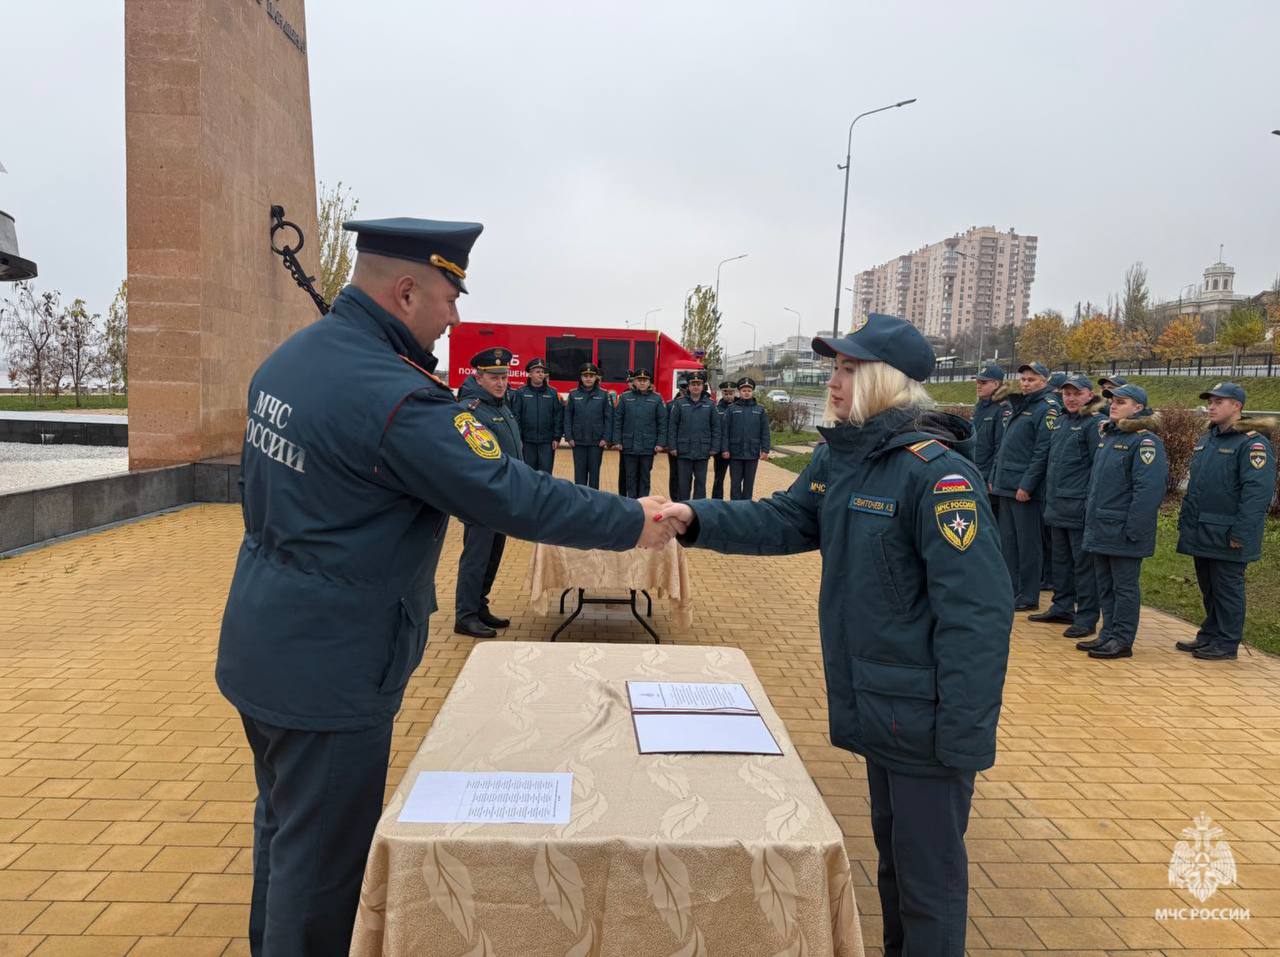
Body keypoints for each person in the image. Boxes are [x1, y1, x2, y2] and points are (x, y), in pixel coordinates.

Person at [215, 217, 676, 957]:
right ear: (405, 292)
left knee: (283, 832)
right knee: (323, 869)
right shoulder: (396, 400)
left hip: (263, 646)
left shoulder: (290, 361)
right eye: (448, 297)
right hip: (332, 668)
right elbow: (514, 496)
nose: (455, 316)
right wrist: (633, 518)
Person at [656, 313, 1012, 957]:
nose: (835, 381)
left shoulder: (937, 476)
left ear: (883, 380)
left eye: (848, 369)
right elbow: (788, 519)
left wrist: (961, 738)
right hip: (883, 704)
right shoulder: (844, 457)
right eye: (834, 368)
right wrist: (694, 516)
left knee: (929, 884)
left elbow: (978, 617)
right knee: (895, 868)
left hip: (928, 722)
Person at [1175, 382, 1275, 661]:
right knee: (1209, 586)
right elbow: (1198, 486)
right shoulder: (1208, 438)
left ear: (1237, 407)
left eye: (1220, 401)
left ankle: (1227, 642)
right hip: (1203, 529)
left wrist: (1241, 533)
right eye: (1210, 401)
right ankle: (1210, 634)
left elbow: (1257, 495)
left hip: (1229, 533)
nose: (1212, 406)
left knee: (1227, 588)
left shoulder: (1252, 444)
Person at [1079, 384, 1168, 659]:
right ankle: (1108, 633)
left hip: (1124, 530)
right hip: (1103, 526)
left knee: (1124, 587)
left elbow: (1148, 491)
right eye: (1112, 401)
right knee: (1105, 585)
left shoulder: (1145, 442)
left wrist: (1135, 529)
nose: (1113, 405)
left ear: (1138, 407)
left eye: (1121, 401)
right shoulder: (1109, 436)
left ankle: (1122, 639)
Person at [453, 348, 522, 639]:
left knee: (493, 555)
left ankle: (480, 606)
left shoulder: (500, 406)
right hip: (482, 498)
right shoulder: (472, 409)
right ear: (477, 376)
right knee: (476, 557)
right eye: (494, 377)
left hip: (502, 496)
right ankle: (465, 615)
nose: (500, 382)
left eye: (504, 376)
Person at [1032, 375, 1106, 638]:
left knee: (1083, 567)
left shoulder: (1094, 424)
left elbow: (1098, 469)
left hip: (1079, 508)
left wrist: (1089, 505)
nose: (1071, 399)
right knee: (1060, 562)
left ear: (1089, 395)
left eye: (1077, 393)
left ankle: (1086, 616)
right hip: (1057, 506)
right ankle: (1062, 606)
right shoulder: (1062, 421)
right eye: (1067, 394)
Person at [990, 361, 1061, 610]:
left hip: (1024, 489)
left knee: (1028, 543)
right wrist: (995, 477)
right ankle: (1010, 589)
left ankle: (1028, 595)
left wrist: (1027, 485)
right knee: (1008, 542)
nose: (1026, 383)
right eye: (1023, 379)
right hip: (1006, 484)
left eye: (1031, 379)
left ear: (1044, 381)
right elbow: (1008, 447)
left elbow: (1042, 451)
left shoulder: (1047, 408)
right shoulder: (1021, 404)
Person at [613, 367, 667, 497]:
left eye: (645, 380)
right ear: (634, 382)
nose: (642, 383)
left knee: (644, 478)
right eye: (639, 380)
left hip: (647, 446)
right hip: (628, 446)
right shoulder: (625, 398)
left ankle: (644, 506)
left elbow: (662, 423)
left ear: (649, 383)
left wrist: (660, 443)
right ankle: (631, 506)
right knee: (629, 478)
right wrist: (617, 441)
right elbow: (618, 421)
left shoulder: (657, 399)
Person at [668, 370, 720, 500]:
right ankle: (683, 510)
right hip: (683, 450)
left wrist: (714, 447)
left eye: (699, 383)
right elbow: (673, 426)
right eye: (693, 384)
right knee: (683, 485)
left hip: (703, 451)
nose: (696, 386)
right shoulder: (679, 404)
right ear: (689, 386)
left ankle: (699, 512)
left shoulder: (710, 405)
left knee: (700, 484)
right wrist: (672, 447)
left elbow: (716, 428)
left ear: (703, 386)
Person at [508, 357, 562, 473]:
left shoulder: (552, 393)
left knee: (546, 475)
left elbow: (557, 416)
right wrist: (519, 438)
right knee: (528, 473)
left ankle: (545, 492)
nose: (541, 374)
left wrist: (556, 437)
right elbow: (516, 417)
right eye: (537, 372)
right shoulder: (521, 393)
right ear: (530, 374)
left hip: (547, 442)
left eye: (542, 372)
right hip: (527, 442)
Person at [563, 361, 614, 488]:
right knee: (579, 476)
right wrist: (569, 437)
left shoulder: (604, 395)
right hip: (578, 441)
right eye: (585, 376)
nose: (588, 379)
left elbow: (609, 418)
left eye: (591, 376)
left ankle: (593, 504)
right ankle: (580, 503)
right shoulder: (573, 394)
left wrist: (606, 438)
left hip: (597, 442)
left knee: (594, 476)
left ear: (596, 377)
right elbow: (568, 416)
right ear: (581, 377)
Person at [721, 376, 772, 500]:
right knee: (735, 484)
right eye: (744, 390)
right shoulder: (732, 409)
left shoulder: (760, 410)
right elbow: (725, 431)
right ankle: (735, 509)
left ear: (752, 391)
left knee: (749, 485)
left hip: (752, 453)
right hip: (735, 453)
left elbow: (765, 432)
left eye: (749, 390)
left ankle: (746, 509)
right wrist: (725, 449)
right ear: (739, 392)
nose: (746, 393)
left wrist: (765, 450)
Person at [971, 365, 1010, 516]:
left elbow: (1001, 447)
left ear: (996, 384)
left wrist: (992, 477)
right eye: (978, 382)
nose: (978, 385)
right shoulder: (981, 406)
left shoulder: (1002, 409)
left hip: (988, 478)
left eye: (983, 382)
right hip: (976, 472)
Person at [711, 380, 737, 499]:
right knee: (719, 479)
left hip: (736, 450)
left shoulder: (739, 407)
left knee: (736, 480)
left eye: (731, 393)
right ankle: (717, 501)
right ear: (722, 393)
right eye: (726, 393)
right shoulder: (716, 409)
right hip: (721, 451)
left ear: (735, 393)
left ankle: (735, 504)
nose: (728, 396)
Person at [667, 377, 688, 501]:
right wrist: (669, 445)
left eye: (686, 387)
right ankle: (674, 499)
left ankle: (684, 499)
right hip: (674, 445)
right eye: (682, 387)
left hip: (687, 446)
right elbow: (668, 426)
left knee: (685, 475)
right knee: (674, 474)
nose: (684, 390)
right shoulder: (670, 404)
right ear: (679, 388)